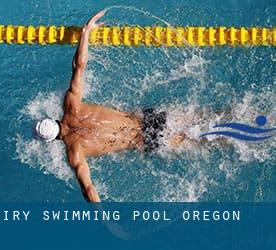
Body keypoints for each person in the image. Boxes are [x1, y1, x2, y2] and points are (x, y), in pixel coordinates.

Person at [34, 11, 186, 202]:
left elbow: (88, 189)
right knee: (202, 118)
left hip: (147, 140)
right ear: (52, 119)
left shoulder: (75, 152)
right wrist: (85, 33)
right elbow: (79, 66)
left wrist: (106, 222)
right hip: (148, 118)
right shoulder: (71, 105)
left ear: (52, 140)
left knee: (204, 141)